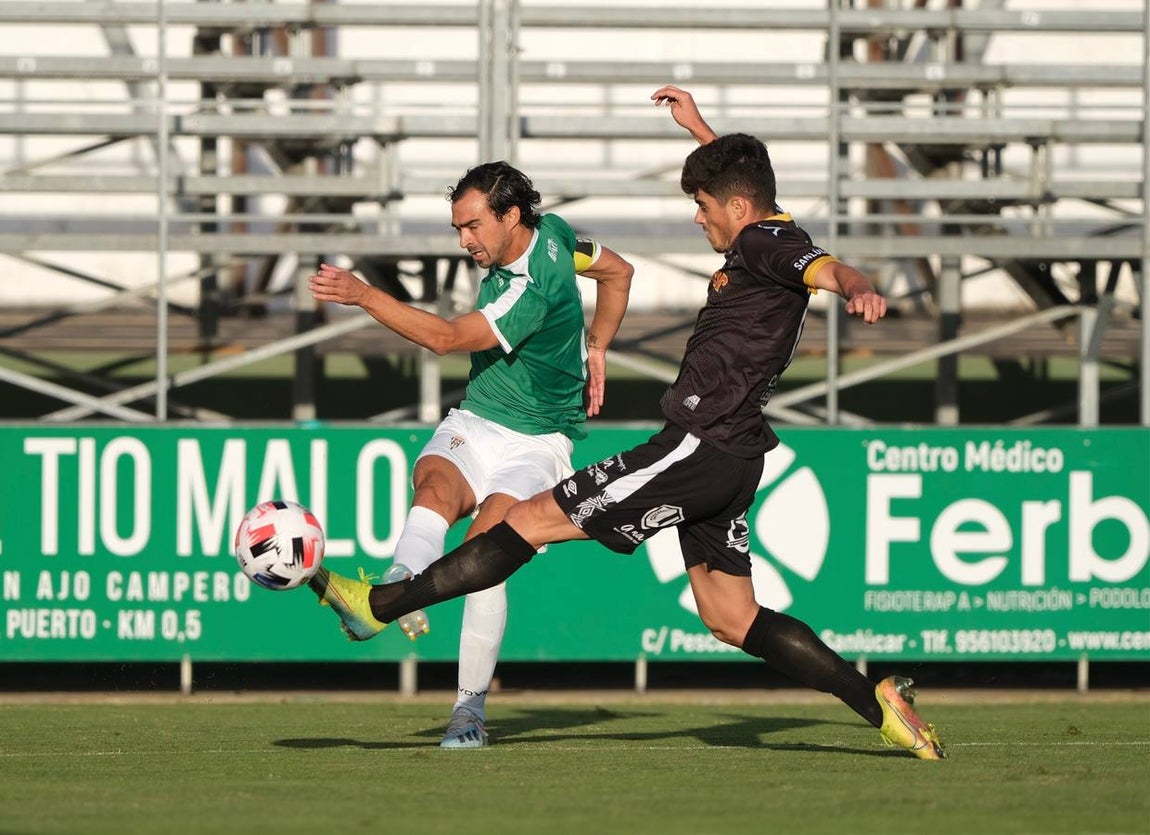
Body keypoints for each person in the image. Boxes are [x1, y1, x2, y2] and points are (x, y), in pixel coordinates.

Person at [309, 88, 946, 760]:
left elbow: (821, 268)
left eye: (703, 208)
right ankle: (873, 700)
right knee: (731, 617)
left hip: (695, 446)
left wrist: (857, 284)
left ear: (735, 209)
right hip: (734, 455)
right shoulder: (771, 221)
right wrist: (700, 130)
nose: (697, 219)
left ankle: (378, 605)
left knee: (523, 520)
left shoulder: (765, 244)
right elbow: (742, 186)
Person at [308, 160, 634, 748]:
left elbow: (446, 339)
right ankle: (394, 587)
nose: (464, 241)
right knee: (433, 485)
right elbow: (618, 270)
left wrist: (363, 295)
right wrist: (600, 345)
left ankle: (467, 708)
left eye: (473, 226)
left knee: (485, 553)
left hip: (538, 440)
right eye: (457, 227)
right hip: (479, 419)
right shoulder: (556, 232)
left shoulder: (529, 287)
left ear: (511, 216)